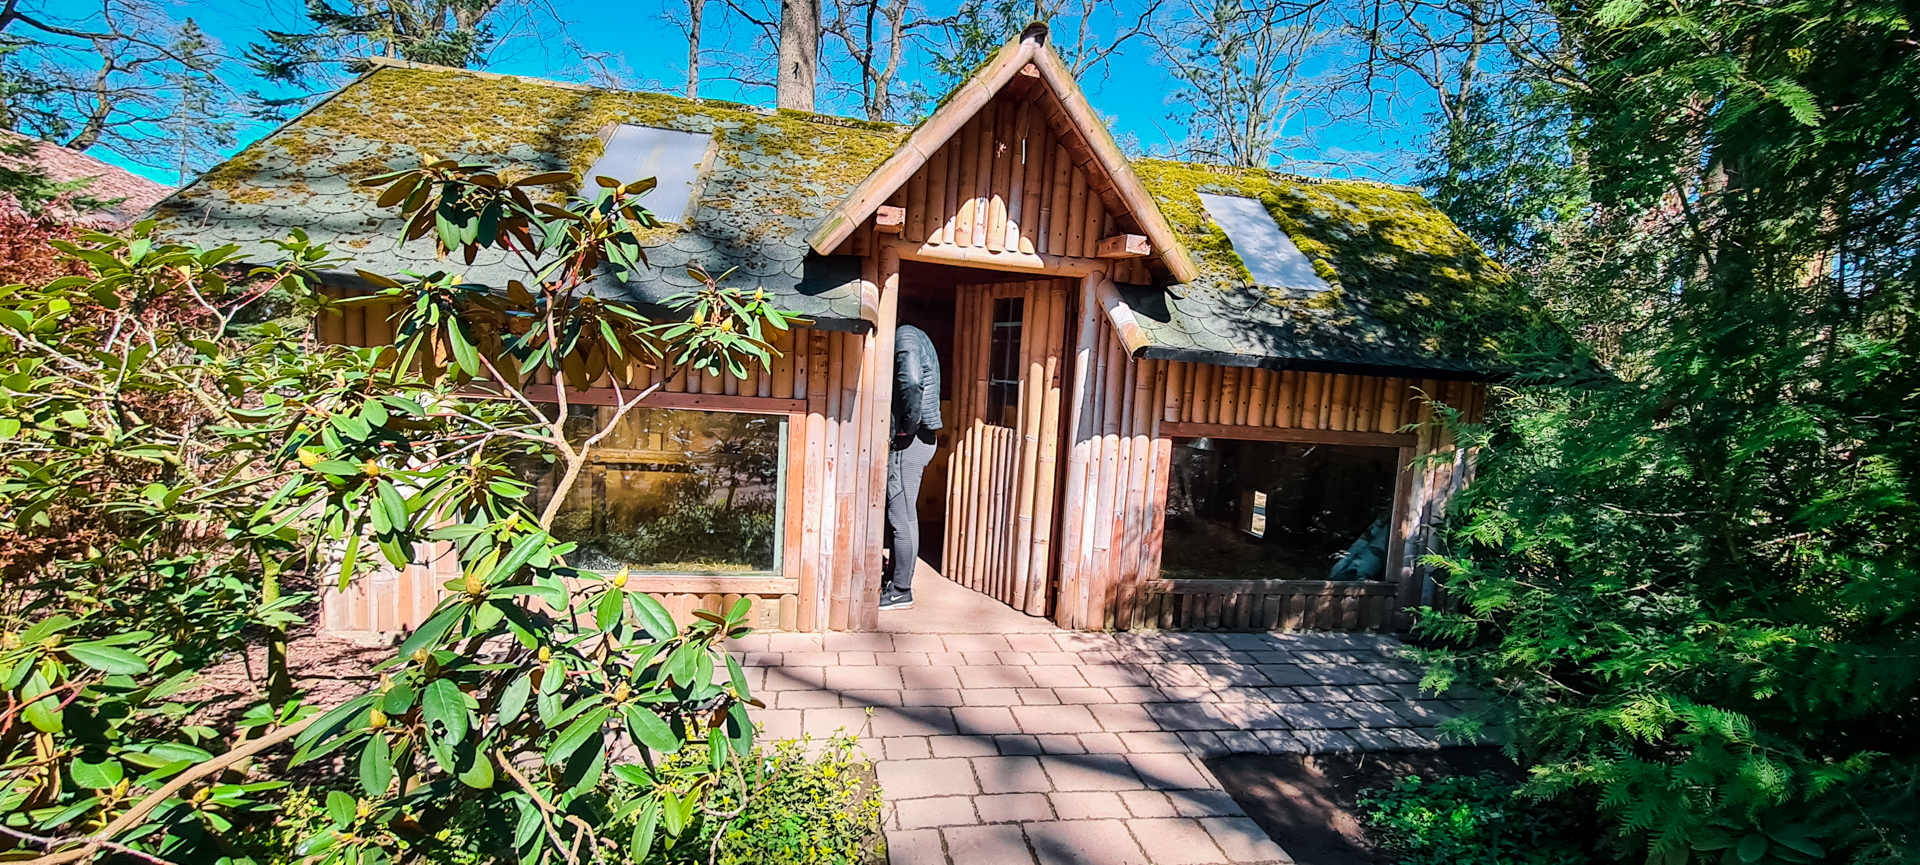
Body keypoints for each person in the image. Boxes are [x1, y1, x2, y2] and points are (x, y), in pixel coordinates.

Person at [881, 323, 941, 611]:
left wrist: (906, 428)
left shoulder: (904, 335)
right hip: (921, 439)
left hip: (912, 442)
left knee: (902, 518)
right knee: (903, 516)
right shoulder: (918, 335)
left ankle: (901, 591)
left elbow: (912, 381)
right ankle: (894, 580)